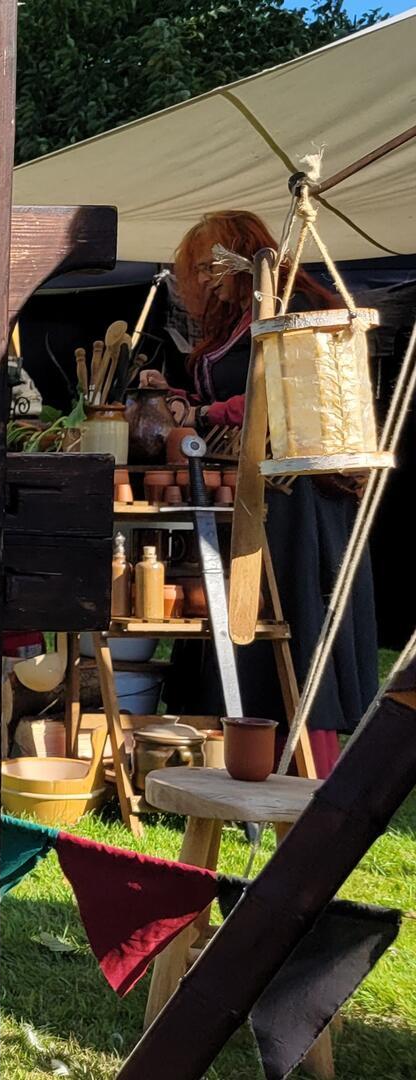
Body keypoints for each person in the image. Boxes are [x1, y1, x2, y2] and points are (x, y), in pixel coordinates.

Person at [158, 209, 378, 769]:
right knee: (246, 626)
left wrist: (209, 409)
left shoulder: (300, 309)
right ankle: (243, 756)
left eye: (205, 268)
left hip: (298, 496)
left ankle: (311, 767)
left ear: (231, 260)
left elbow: (288, 395)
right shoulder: (240, 316)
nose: (199, 282)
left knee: (295, 625)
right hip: (251, 486)